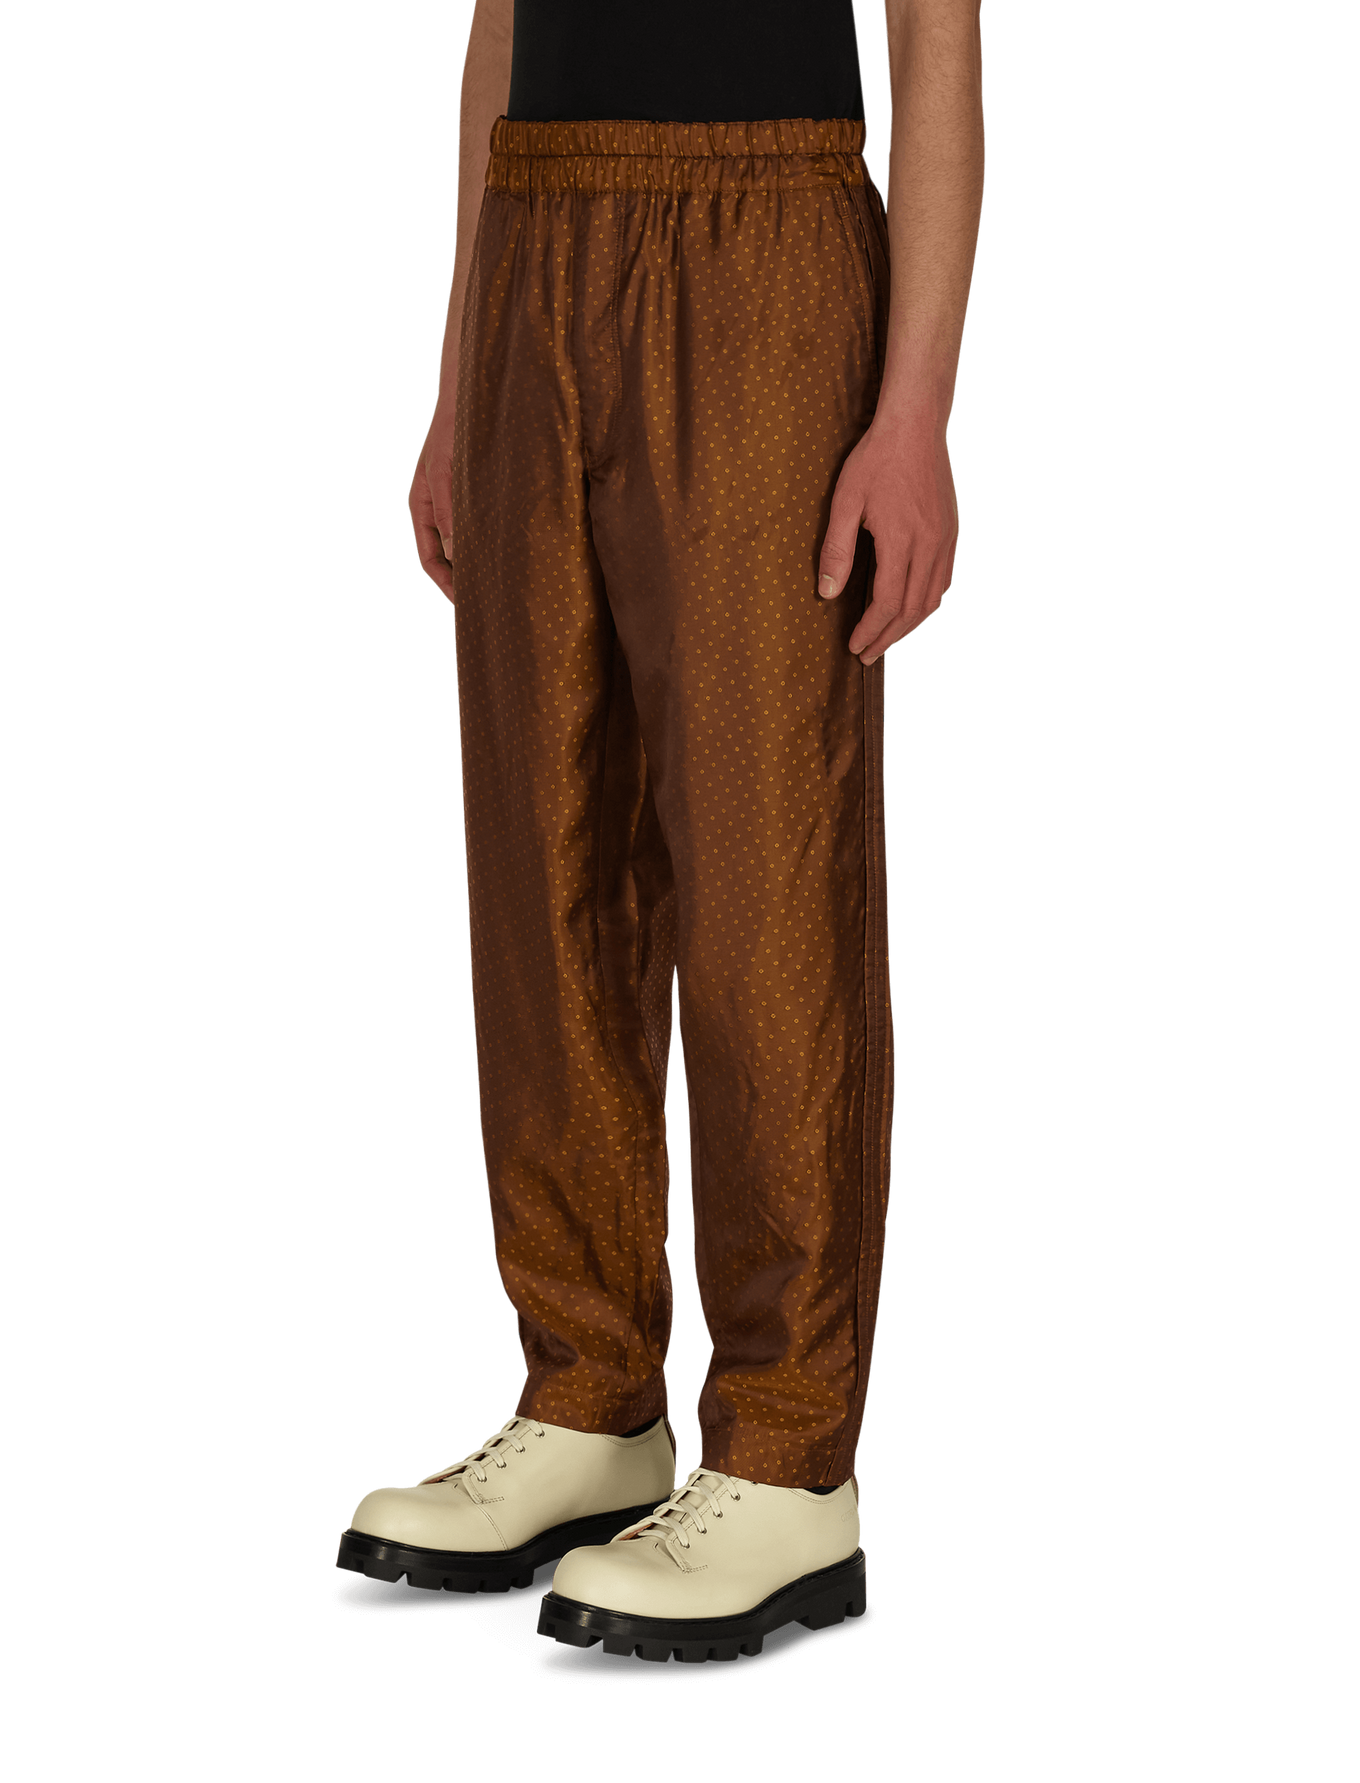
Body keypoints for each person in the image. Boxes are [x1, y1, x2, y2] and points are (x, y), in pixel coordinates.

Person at [337, 0, 987, 1664]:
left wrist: (914, 410)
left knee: (764, 867)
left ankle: (786, 1454)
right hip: (535, 232)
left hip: (768, 233)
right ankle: (587, 1394)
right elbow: (498, 24)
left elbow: (935, 38)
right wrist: (456, 370)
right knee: (542, 859)